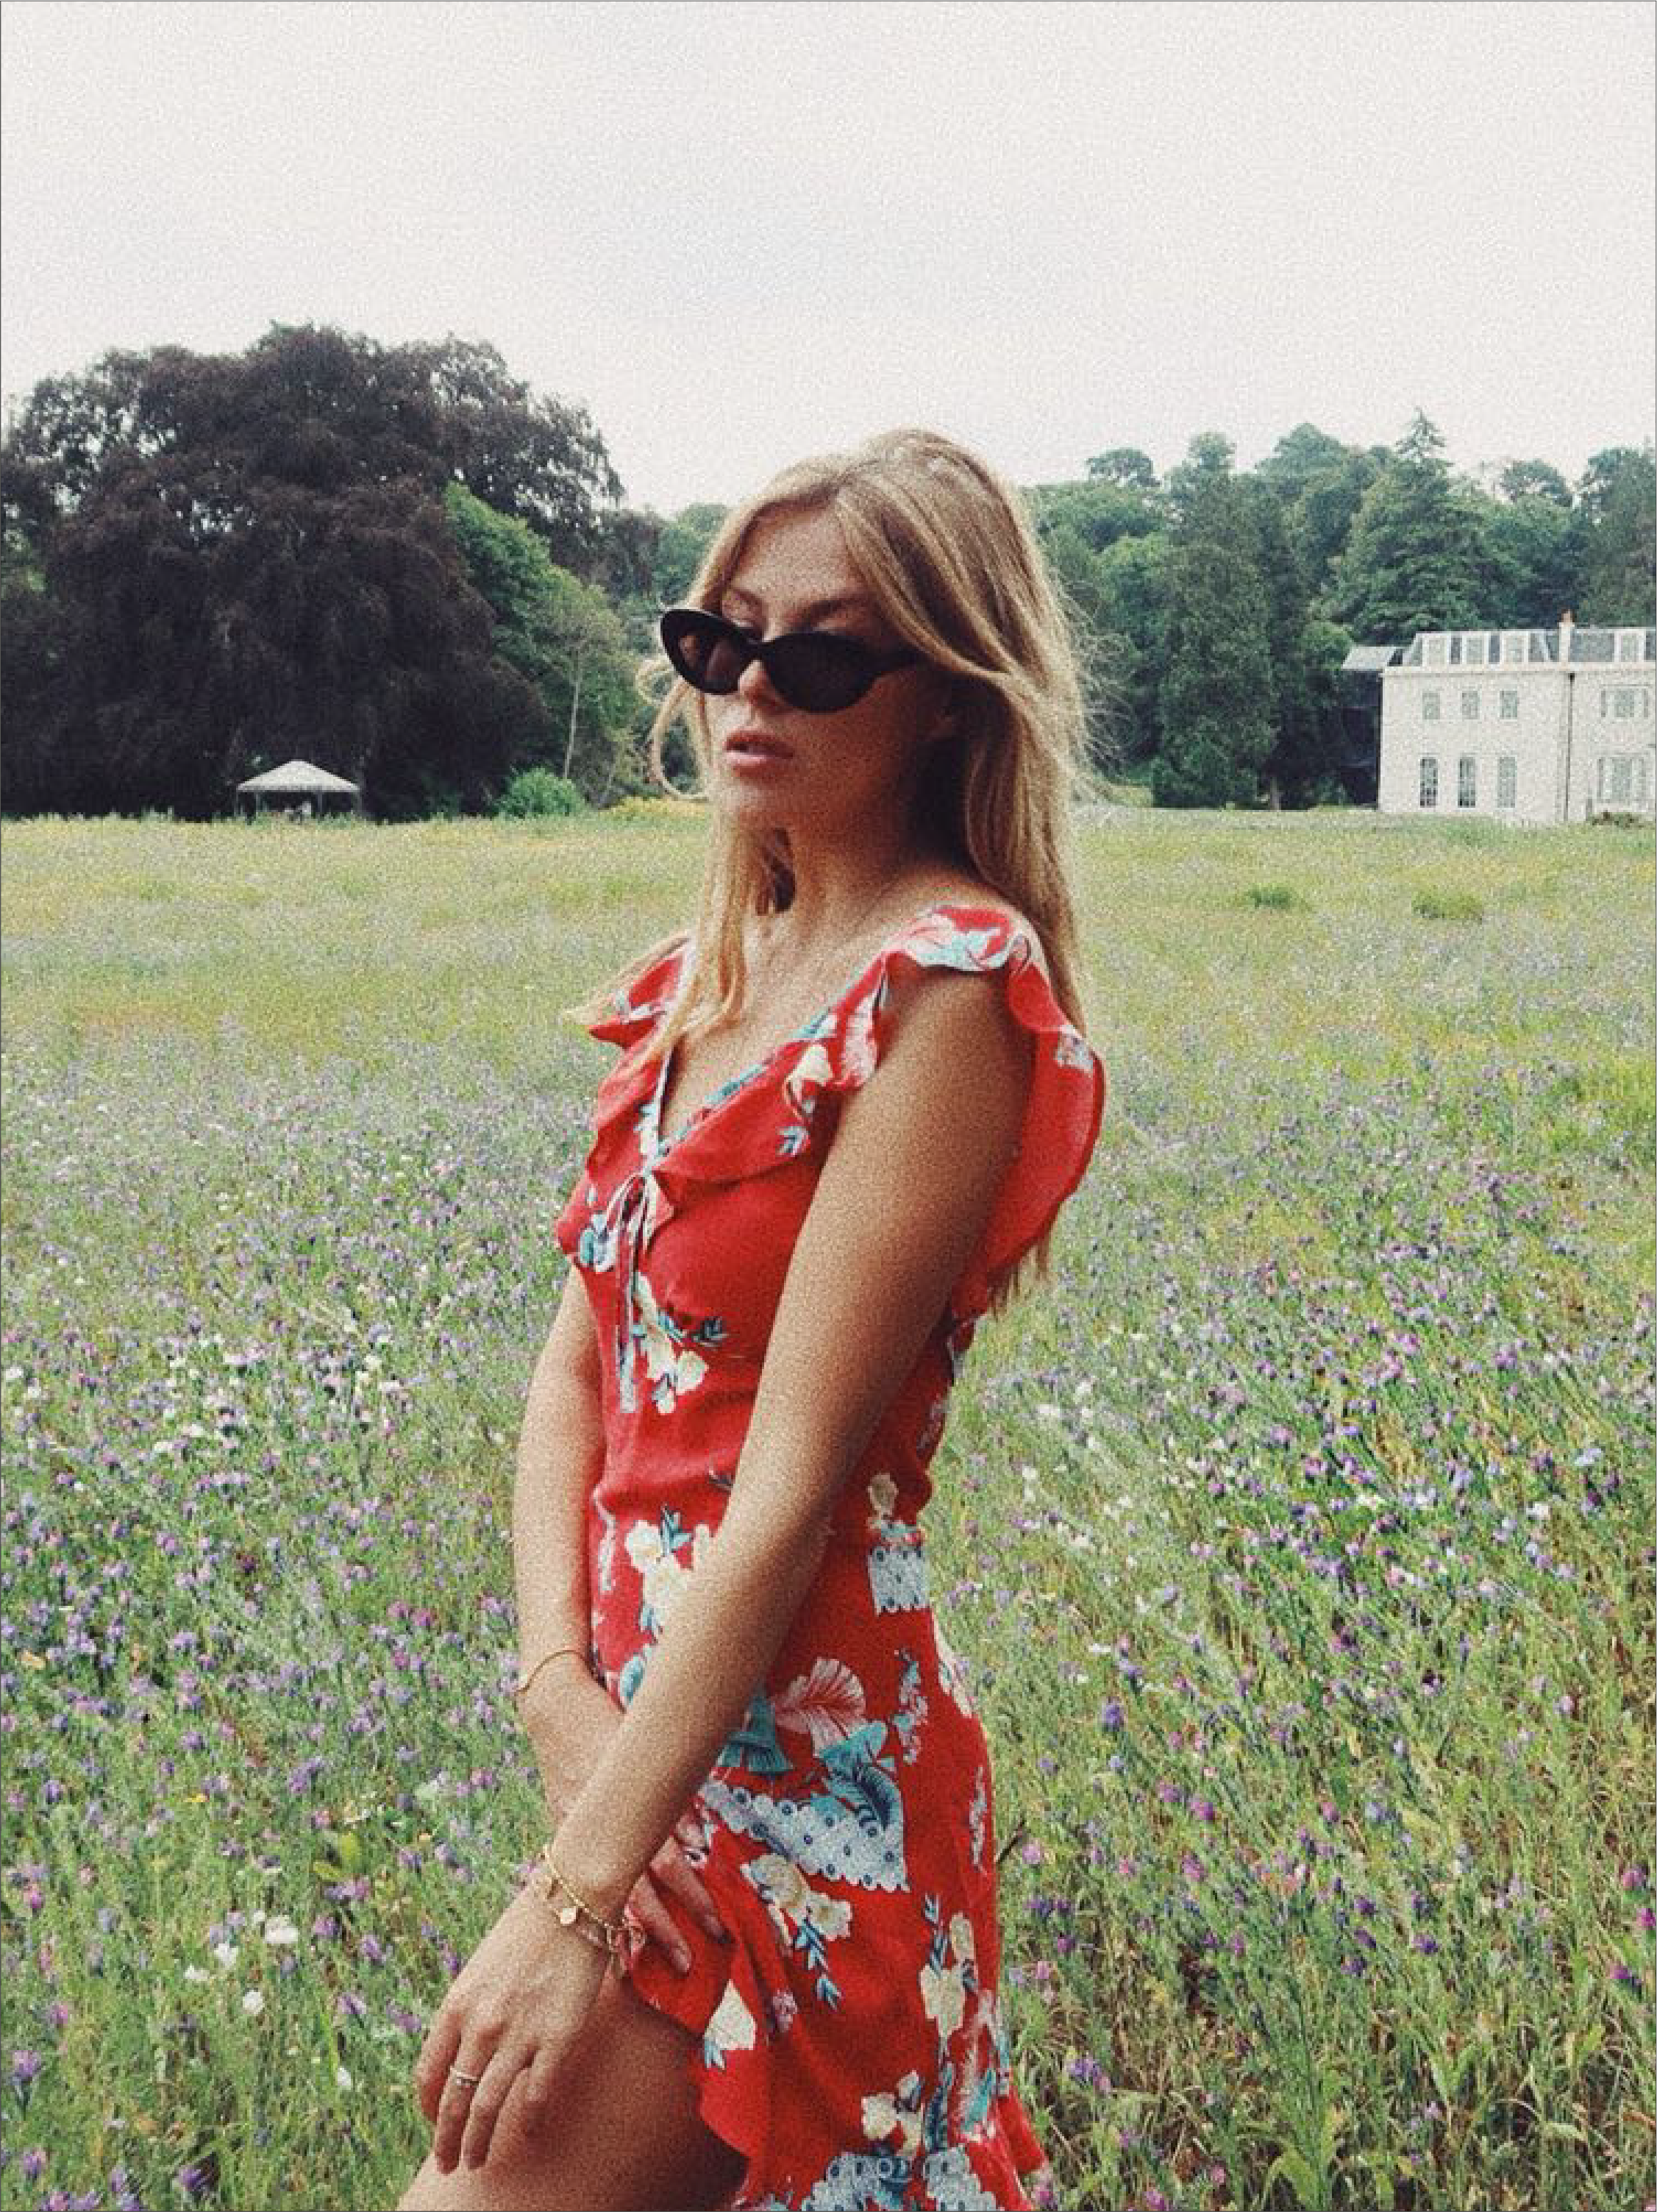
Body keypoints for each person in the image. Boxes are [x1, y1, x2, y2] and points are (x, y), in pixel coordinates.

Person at [398, 427, 1106, 2212]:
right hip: (640, 1760)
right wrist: (559, 1702)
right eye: (722, 640)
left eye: (824, 655)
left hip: (801, 1793)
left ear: (945, 699)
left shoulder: (947, 992)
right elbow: (575, 1373)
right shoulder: (710, 979)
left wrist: (569, 1902)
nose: (753, 690)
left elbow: (787, 1494)